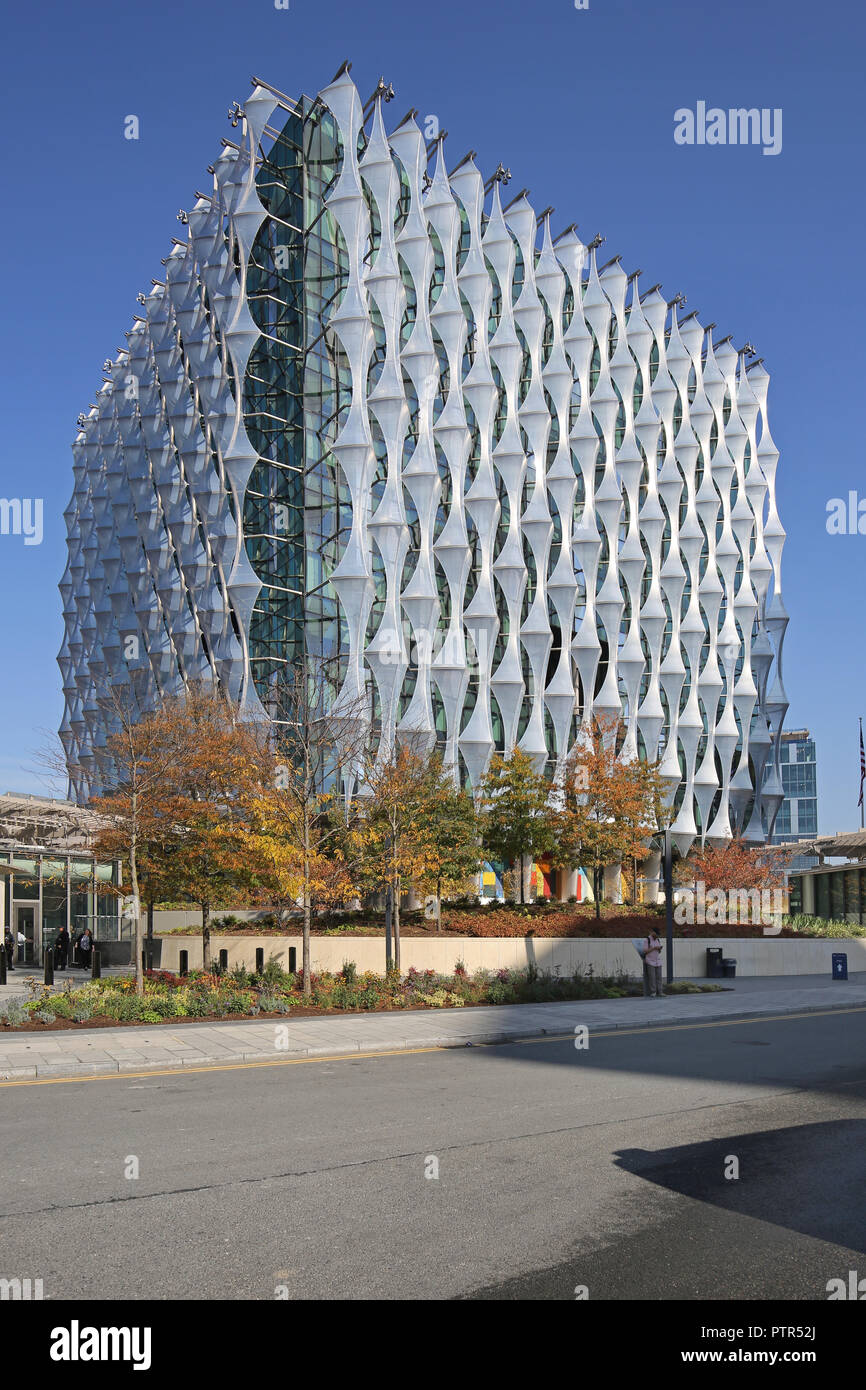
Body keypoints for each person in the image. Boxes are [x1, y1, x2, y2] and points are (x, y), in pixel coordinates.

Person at [643, 928, 663, 998]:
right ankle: (653, 992)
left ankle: (660, 992)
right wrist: (654, 948)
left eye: (658, 935)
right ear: (653, 933)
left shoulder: (657, 940)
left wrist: (659, 949)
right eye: (656, 934)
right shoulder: (647, 940)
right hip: (650, 961)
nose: (657, 936)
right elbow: (645, 951)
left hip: (658, 961)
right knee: (652, 977)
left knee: (659, 977)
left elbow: (659, 952)